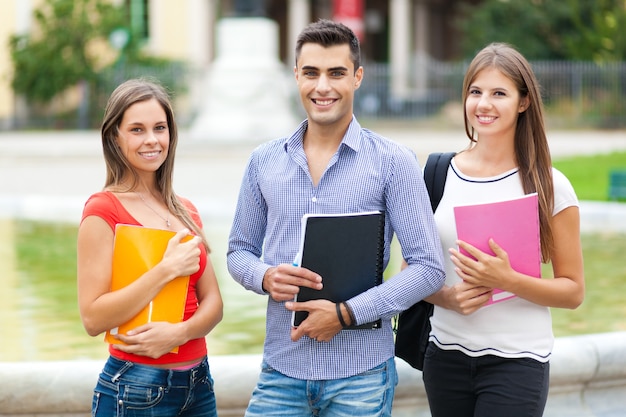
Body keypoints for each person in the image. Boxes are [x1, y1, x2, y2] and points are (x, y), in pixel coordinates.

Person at [227, 19, 445, 417]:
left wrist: (345, 315)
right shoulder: (264, 161)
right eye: (311, 73)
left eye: (336, 73)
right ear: (296, 75)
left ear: (357, 77)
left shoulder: (394, 162)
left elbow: (429, 268)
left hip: (360, 376)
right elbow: (238, 251)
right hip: (280, 369)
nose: (322, 86)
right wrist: (263, 276)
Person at [421, 42, 585, 417]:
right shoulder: (438, 174)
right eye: (475, 92)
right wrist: (446, 298)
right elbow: (413, 274)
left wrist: (507, 279)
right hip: (445, 358)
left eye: (499, 93)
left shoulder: (550, 185)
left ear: (523, 102)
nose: (484, 104)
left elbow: (573, 291)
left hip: (518, 362)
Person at [77, 78, 223, 417]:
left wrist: (180, 333)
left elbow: (213, 304)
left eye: (160, 128)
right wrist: (166, 270)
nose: (152, 140)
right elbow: (92, 317)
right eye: (137, 130)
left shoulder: (185, 210)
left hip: (199, 386)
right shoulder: (103, 210)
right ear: (115, 136)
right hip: (135, 387)